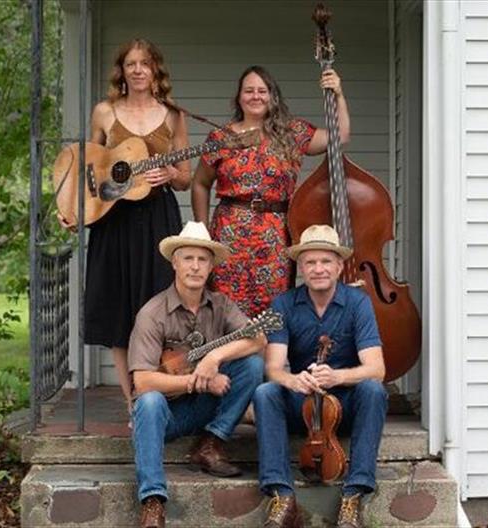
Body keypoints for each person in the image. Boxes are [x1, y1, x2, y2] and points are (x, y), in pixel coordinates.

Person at [66, 38, 190, 412]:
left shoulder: (172, 115)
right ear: (121, 70)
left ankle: (156, 393)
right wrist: (74, 208)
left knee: (159, 305)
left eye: (145, 63)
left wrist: (170, 173)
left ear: (155, 70)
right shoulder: (105, 112)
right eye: (131, 63)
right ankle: (133, 401)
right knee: (119, 306)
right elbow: (88, 167)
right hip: (114, 219)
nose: (138, 70)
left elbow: (186, 178)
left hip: (158, 219)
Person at [128, 221, 265, 528]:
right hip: (165, 415)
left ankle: (210, 444)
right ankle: (152, 501)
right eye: (188, 258)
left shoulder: (221, 305)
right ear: (174, 263)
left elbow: (258, 339)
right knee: (148, 402)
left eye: (202, 259)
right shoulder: (152, 313)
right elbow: (143, 382)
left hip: (203, 408)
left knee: (252, 366)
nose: (195, 266)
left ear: (211, 266)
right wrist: (198, 381)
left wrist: (214, 357)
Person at [253, 225, 387, 528]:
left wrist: (337, 377)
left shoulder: (358, 303)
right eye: (310, 262)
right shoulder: (283, 304)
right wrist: (293, 380)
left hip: (344, 405)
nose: (318, 269)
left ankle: (354, 495)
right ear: (301, 268)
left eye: (326, 261)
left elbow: (376, 369)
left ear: (339, 266)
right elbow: (273, 368)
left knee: (373, 390)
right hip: (303, 404)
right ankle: (282, 496)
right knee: (265, 393)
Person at [191, 65, 350, 318]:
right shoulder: (221, 137)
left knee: (273, 310)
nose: (255, 96)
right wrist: (202, 233)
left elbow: (339, 136)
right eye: (249, 91)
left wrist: (338, 94)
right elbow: (200, 183)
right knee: (225, 307)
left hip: (275, 236)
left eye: (262, 91)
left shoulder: (291, 133)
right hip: (229, 234)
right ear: (239, 97)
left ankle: (269, 348)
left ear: (272, 96)